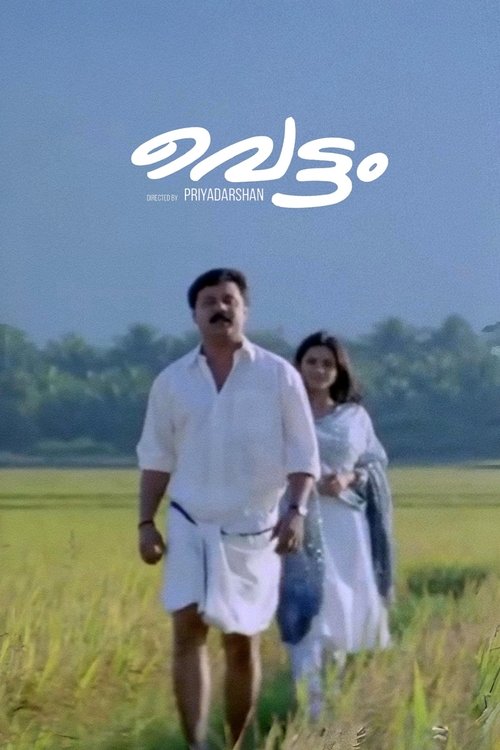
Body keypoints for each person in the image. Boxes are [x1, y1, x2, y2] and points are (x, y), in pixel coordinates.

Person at [136, 268, 320, 750]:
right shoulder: (172, 382)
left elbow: (304, 454)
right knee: (187, 630)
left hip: (253, 528)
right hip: (189, 521)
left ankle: (235, 742)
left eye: (229, 300)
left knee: (241, 639)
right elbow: (156, 457)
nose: (220, 309)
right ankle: (196, 744)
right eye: (209, 302)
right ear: (195, 315)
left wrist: (296, 511)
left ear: (245, 309)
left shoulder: (277, 375)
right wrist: (145, 522)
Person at [278, 331, 393, 720]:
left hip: (345, 525)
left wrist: (347, 478)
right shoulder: (282, 413)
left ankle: (334, 713)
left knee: (340, 614)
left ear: (339, 371)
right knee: (306, 615)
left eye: (327, 363)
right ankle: (312, 713)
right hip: (297, 521)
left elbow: (373, 463)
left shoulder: (354, 417)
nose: (319, 369)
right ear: (298, 366)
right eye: (311, 361)